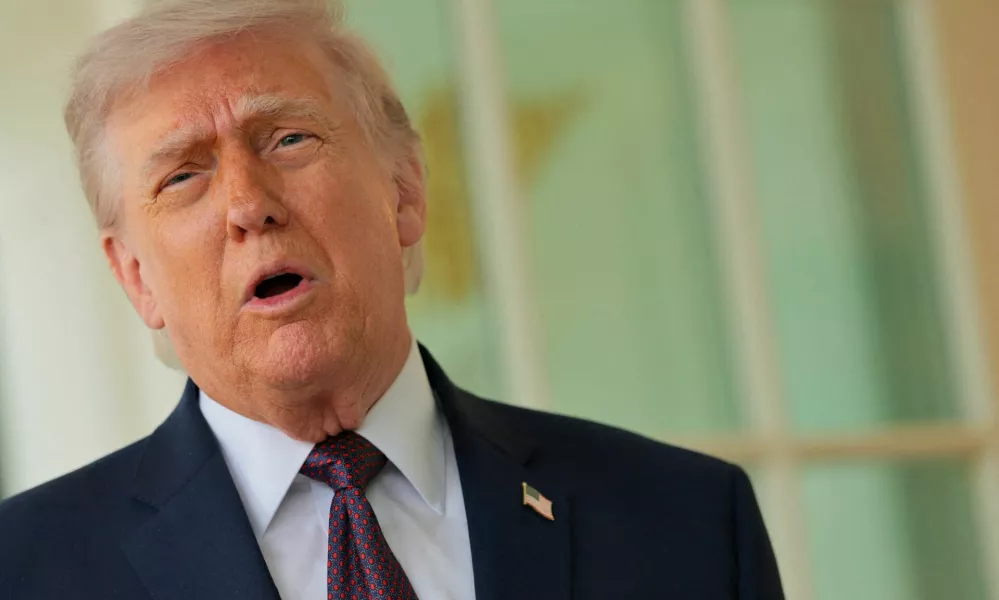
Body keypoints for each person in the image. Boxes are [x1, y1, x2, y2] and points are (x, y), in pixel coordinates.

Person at [0, 1, 784, 598]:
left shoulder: (683, 519)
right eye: (183, 176)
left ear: (403, 190)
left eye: (287, 139)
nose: (248, 204)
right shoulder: (27, 569)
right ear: (136, 277)